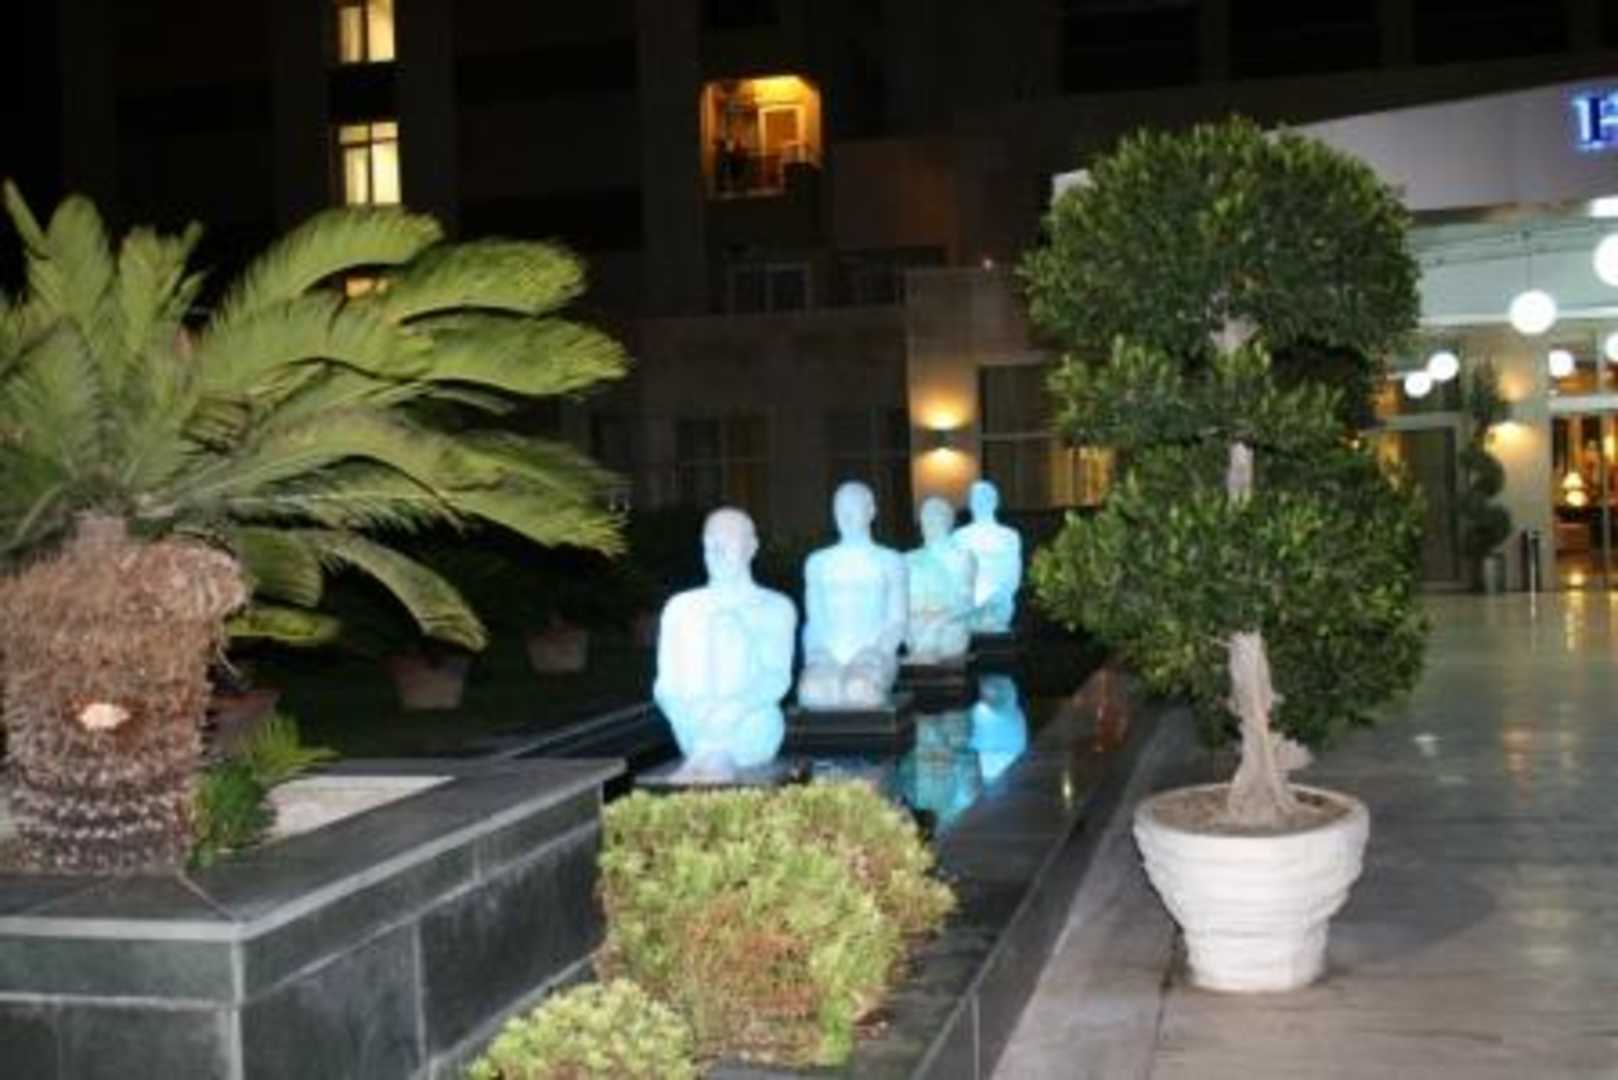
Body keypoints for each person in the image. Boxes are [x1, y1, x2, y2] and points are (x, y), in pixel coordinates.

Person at [653, 507, 796, 774]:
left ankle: (710, 756)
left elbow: (777, 678)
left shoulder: (775, 607)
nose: (717, 551)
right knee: (708, 621)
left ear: (751, 547)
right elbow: (665, 685)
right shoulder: (680, 607)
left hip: (750, 724)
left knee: (727, 627)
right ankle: (710, 754)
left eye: (727, 542)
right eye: (710, 544)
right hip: (692, 726)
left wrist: (732, 710)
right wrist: (690, 715)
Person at [798, 481, 908, 709]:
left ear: (871, 511)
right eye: (839, 508)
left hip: (874, 652)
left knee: (860, 690)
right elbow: (815, 621)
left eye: (853, 507)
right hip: (828, 653)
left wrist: (879, 651)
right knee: (813, 693)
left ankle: (864, 674)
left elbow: (897, 621)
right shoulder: (817, 563)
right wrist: (817, 654)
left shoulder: (890, 561)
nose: (845, 515)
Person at [905, 496, 977, 663]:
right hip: (915, 628)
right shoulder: (909, 558)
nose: (928, 521)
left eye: (935, 515)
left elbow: (965, 603)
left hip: (947, 628)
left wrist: (935, 625)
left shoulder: (963, 558)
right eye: (925, 517)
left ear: (949, 521)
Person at [952, 479, 1023, 633]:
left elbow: (1013, 578)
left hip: (998, 603)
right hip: (968, 605)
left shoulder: (1009, 536)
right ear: (970, 504)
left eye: (985, 498)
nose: (980, 503)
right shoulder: (959, 537)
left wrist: (996, 597)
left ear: (995, 502)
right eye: (976, 499)